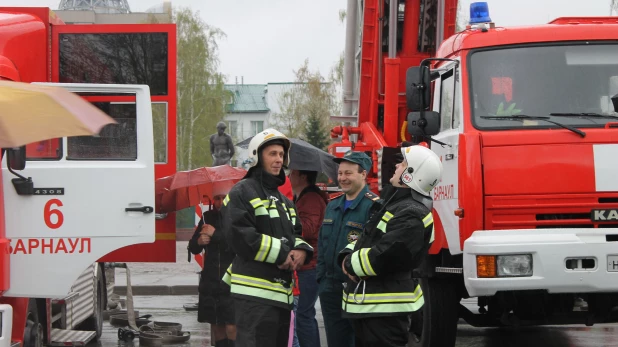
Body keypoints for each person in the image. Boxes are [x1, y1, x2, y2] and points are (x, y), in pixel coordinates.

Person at [338, 145, 443, 347]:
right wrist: (345, 256)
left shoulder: (410, 214)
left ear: (411, 175)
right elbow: (366, 240)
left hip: (385, 311)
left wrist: (350, 264)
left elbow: (385, 256)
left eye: (402, 163)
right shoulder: (397, 205)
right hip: (374, 309)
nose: (396, 165)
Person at [220, 128, 314, 347]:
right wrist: (282, 254)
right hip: (254, 297)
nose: (278, 160)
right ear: (257, 156)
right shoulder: (242, 192)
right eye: (272, 154)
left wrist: (301, 251)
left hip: (282, 296)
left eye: (281, 155)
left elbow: (296, 234)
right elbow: (240, 236)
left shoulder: (285, 202)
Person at [316, 151, 379, 347]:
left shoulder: (374, 207)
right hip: (330, 290)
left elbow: (376, 249)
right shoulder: (333, 205)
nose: (342, 178)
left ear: (363, 174)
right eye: (340, 173)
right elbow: (321, 244)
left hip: (358, 290)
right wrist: (322, 279)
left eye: (348, 173)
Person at [188, 195, 236, 347]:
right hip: (211, 279)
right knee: (216, 325)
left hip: (233, 279)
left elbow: (239, 244)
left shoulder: (239, 217)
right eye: (217, 198)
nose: (220, 202)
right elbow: (193, 247)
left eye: (224, 198)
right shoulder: (207, 217)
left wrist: (215, 235)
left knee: (232, 325)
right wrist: (199, 242)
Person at [288, 169, 328, 347]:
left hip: (309, 265)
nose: (289, 176)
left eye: (293, 173)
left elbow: (309, 228)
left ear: (303, 176)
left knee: (303, 315)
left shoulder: (310, 198)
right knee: (303, 314)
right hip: (307, 265)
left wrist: (286, 222)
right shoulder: (303, 197)